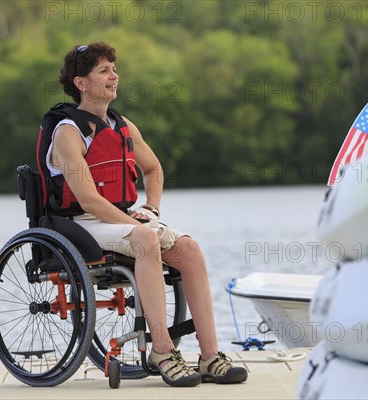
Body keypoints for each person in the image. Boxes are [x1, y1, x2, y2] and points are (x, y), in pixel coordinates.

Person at [43, 41, 247, 387]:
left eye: (114, 69)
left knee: (190, 250)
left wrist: (151, 208)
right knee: (146, 238)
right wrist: (135, 223)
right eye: (104, 71)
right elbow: (90, 201)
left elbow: (153, 169)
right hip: (81, 224)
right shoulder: (67, 132)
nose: (114, 76)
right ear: (81, 83)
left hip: (119, 219)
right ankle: (163, 352)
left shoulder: (123, 126)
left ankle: (210, 356)